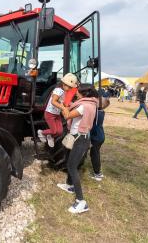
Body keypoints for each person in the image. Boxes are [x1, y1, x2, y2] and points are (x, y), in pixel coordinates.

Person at [57, 84, 98, 214]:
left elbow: (67, 116)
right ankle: (70, 185)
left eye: (78, 92)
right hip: (79, 136)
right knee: (69, 160)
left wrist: (63, 106)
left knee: (72, 166)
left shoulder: (83, 106)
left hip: (80, 139)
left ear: (83, 94)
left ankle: (81, 202)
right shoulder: (91, 104)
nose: (76, 94)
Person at [37, 73, 78, 147]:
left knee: (60, 131)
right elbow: (53, 101)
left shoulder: (64, 92)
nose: (70, 89)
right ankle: (42, 132)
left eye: (71, 88)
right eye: (69, 87)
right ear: (64, 84)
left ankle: (50, 136)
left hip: (56, 114)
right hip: (50, 113)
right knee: (54, 130)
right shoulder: (58, 90)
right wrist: (63, 108)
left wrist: (70, 105)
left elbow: (62, 102)